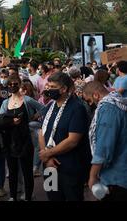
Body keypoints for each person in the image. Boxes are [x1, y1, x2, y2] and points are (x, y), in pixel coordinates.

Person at [39, 72, 91, 201]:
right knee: (53, 196)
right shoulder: (50, 106)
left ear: (63, 89)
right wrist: (47, 156)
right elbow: (42, 131)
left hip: (69, 168)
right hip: (49, 165)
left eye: (52, 86)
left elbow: (73, 140)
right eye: (48, 86)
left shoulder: (76, 108)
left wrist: (48, 153)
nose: (48, 89)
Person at [0, 74, 45, 201]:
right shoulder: (5, 102)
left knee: (27, 171)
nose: (12, 86)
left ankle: (28, 196)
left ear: (20, 84)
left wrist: (33, 117)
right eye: (10, 84)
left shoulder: (27, 100)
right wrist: (10, 122)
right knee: (12, 171)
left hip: (25, 139)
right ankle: (13, 196)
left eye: (15, 84)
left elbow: (44, 108)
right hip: (10, 140)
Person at [83, 82, 127, 201]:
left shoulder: (108, 109)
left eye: (89, 100)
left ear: (96, 95)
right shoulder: (118, 101)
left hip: (116, 178)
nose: (90, 104)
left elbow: (104, 147)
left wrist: (92, 176)